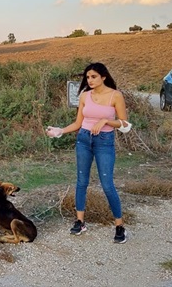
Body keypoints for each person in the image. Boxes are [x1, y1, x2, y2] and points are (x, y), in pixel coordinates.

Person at [46, 62, 132, 244]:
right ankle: (80, 221)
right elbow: (78, 123)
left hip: (104, 142)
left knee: (107, 184)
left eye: (93, 77)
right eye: (87, 77)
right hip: (84, 139)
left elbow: (125, 124)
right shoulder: (85, 96)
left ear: (103, 77)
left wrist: (106, 121)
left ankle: (120, 227)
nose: (90, 80)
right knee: (81, 181)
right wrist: (60, 131)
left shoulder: (115, 96)